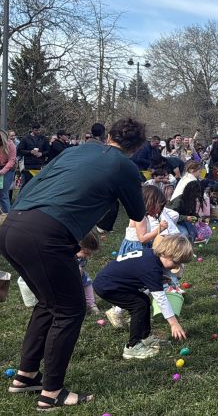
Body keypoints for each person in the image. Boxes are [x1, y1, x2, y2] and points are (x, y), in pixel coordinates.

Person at [0, 118, 146, 409]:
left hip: (11, 226)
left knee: (47, 302)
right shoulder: (125, 167)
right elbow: (138, 212)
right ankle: (52, 393)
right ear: (139, 146)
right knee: (70, 310)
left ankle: (26, 376)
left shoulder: (75, 151)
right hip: (46, 235)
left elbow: (39, 181)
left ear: (109, 136)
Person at [93, 235, 192, 360]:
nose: (175, 266)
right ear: (166, 253)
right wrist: (174, 324)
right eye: (175, 262)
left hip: (111, 282)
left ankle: (146, 338)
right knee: (138, 305)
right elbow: (161, 299)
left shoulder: (150, 255)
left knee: (143, 300)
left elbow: (136, 270)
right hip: (108, 286)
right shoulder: (152, 268)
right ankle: (132, 347)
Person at [118, 185, 170, 256]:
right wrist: (160, 228)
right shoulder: (140, 217)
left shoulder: (143, 216)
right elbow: (142, 239)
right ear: (150, 203)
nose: (159, 211)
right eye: (159, 207)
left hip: (139, 246)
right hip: (135, 249)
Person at [76, 232, 102, 315]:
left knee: (88, 286)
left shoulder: (82, 257)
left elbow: (81, 268)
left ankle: (91, 304)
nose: (87, 256)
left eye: (89, 254)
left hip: (80, 276)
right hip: (68, 279)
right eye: (86, 253)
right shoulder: (67, 255)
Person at [0, 129, 16, 213]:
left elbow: (12, 160)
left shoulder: (10, 144)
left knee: (3, 193)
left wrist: (3, 171)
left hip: (8, 169)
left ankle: (7, 215)